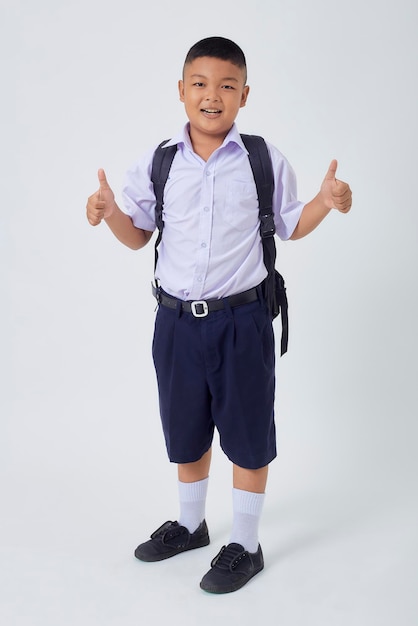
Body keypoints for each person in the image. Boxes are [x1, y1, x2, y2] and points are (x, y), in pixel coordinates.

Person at [86, 36, 352, 594]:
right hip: (177, 323)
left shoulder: (259, 159)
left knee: (249, 431)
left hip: (242, 321)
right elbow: (137, 237)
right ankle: (190, 525)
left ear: (244, 95)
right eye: (201, 85)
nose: (213, 96)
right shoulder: (161, 162)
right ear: (181, 91)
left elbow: (289, 225)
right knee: (185, 427)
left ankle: (247, 544)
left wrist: (324, 202)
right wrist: (110, 212)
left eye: (227, 86)